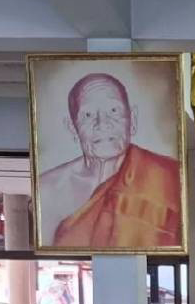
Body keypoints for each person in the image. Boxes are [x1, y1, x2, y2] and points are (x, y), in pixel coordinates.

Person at [38, 72, 182, 249]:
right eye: (88, 115)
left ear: (132, 119)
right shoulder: (48, 189)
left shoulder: (168, 177)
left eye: (114, 111)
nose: (102, 123)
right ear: (73, 127)